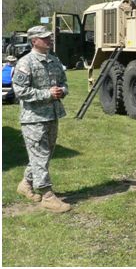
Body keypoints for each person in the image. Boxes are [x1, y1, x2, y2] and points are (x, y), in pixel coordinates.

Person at [12, 25, 71, 213]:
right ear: (34, 41)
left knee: (44, 154)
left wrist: (62, 91)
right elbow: (20, 91)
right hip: (33, 118)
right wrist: (46, 94)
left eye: (50, 37)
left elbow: (64, 83)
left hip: (52, 115)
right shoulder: (25, 63)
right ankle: (47, 195)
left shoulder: (54, 61)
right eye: (45, 38)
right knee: (40, 154)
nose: (49, 40)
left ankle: (26, 184)